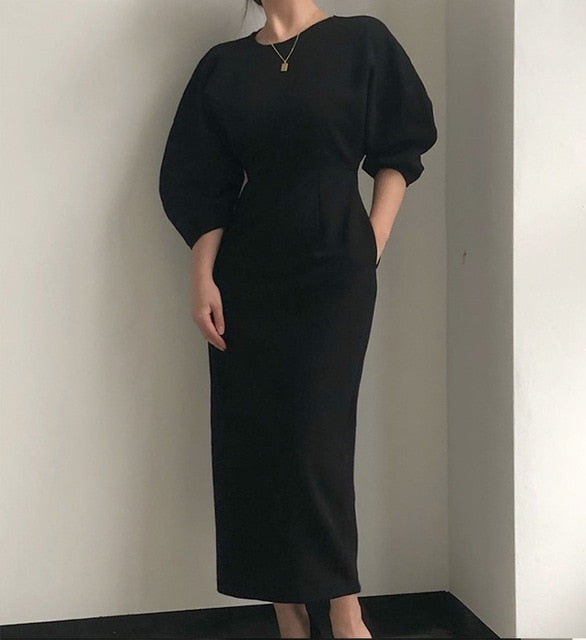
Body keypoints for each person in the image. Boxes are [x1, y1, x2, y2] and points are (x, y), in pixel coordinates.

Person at [158, 1, 438, 637]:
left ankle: (344, 611)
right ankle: (288, 616)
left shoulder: (362, 41)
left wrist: (370, 243)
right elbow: (203, 179)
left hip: (334, 265)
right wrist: (201, 277)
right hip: (248, 274)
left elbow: (400, 146)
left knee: (319, 441)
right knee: (254, 440)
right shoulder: (223, 66)